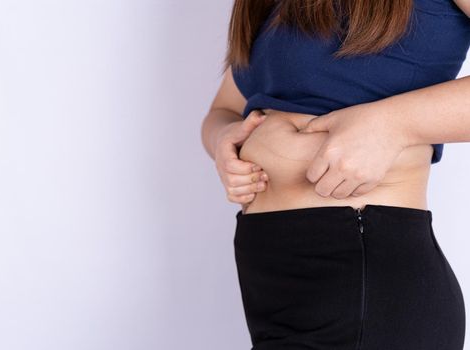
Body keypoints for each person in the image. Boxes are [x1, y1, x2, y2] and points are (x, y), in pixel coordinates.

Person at [200, 1, 470, 349]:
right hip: (272, 284)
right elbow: (224, 109)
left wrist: (396, 124)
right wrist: (222, 138)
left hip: (363, 280)